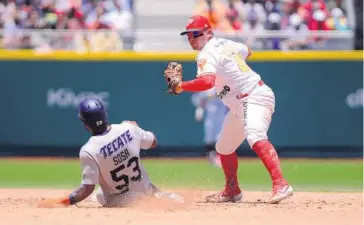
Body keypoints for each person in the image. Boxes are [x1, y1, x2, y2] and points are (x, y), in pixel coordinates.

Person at [170, 15, 293, 204]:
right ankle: (232, 190)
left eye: (196, 34)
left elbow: (207, 82)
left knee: (255, 136)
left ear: (208, 33)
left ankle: (281, 184)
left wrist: (181, 86)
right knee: (224, 148)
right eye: (189, 35)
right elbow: (248, 51)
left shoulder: (206, 54)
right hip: (240, 102)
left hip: (253, 96)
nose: (192, 38)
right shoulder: (225, 43)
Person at [38, 97, 183, 208]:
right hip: (146, 189)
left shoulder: (89, 150)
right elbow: (154, 142)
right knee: (156, 193)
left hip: (123, 201)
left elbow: (86, 189)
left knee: (100, 195)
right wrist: (137, 130)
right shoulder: (128, 128)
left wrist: (62, 201)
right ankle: (163, 196)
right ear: (105, 115)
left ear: (85, 125)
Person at [191, 87, 229, 166]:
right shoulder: (206, 88)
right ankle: (211, 157)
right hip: (210, 116)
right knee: (209, 138)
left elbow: (227, 93)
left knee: (219, 137)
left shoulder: (223, 84)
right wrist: (199, 109)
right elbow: (199, 99)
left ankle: (220, 157)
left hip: (222, 115)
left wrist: (215, 94)